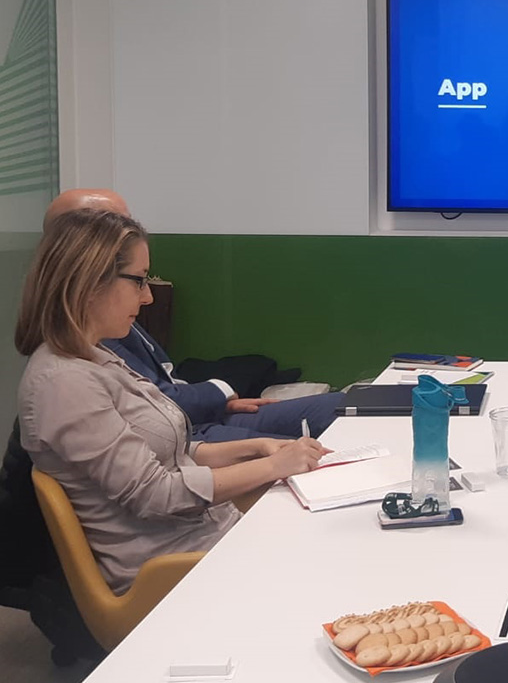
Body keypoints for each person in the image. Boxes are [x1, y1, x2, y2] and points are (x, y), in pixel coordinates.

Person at [16, 208, 329, 594]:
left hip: (207, 539)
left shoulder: (95, 357)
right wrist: (272, 466)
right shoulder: (63, 382)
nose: (148, 296)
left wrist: (258, 448)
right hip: (174, 570)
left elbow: (169, 451)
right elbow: (155, 494)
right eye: (139, 281)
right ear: (91, 280)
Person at [44, 189, 344, 442]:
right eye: (112, 225)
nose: (148, 297)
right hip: (188, 433)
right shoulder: (73, 359)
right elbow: (156, 475)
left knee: (345, 408)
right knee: (319, 455)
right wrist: (267, 454)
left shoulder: (107, 318)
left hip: (194, 427)